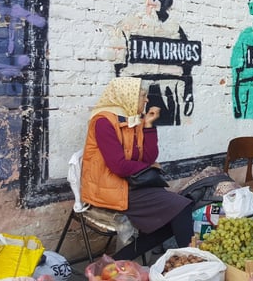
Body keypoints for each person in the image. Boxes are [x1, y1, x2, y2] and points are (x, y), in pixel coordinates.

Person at [81, 77, 193, 260]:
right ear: (129, 96)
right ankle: (193, 263)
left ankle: (113, 262)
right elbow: (119, 166)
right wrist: (147, 167)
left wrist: (148, 126)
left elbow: (148, 157)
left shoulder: (132, 119)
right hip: (110, 189)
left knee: (173, 217)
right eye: (142, 95)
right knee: (182, 208)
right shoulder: (103, 122)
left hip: (130, 184)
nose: (146, 100)